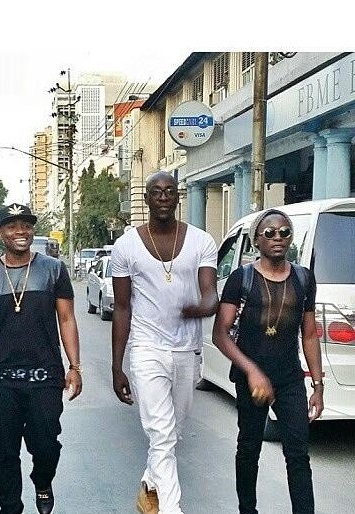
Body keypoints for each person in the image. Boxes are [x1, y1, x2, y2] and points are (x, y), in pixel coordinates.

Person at [110, 172, 218, 514]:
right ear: (146, 199)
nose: (162, 197)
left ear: (177, 197)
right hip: (146, 348)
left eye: (169, 191)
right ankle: (171, 509)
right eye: (155, 192)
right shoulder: (126, 246)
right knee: (161, 432)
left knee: (172, 432)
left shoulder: (201, 241)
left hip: (187, 349)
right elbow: (122, 307)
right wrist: (116, 366)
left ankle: (149, 484)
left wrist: (205, 307)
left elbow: (210, 292)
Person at [0, 203, 82, 514]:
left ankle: (42, 481)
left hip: (46, 376)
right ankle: (10, 509)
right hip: (0, 380)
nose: (21, 231)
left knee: (46, 445)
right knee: (4, 454)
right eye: (12, 226)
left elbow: (67, 319)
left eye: (26, 225)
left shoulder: (53, 269)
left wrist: (75, 366)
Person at [212, 209, 323, 514]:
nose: (278, 238)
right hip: (250, 380)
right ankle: (247, 510)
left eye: (284, 232)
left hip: (289, 379)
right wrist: (252, 371)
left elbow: (309, 334)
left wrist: (318, 385)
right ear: (257, 241)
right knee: (249, 449)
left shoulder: (303, 278)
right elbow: (220, 334)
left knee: (298, 454)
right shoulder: (241, 279)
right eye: (270, 233)